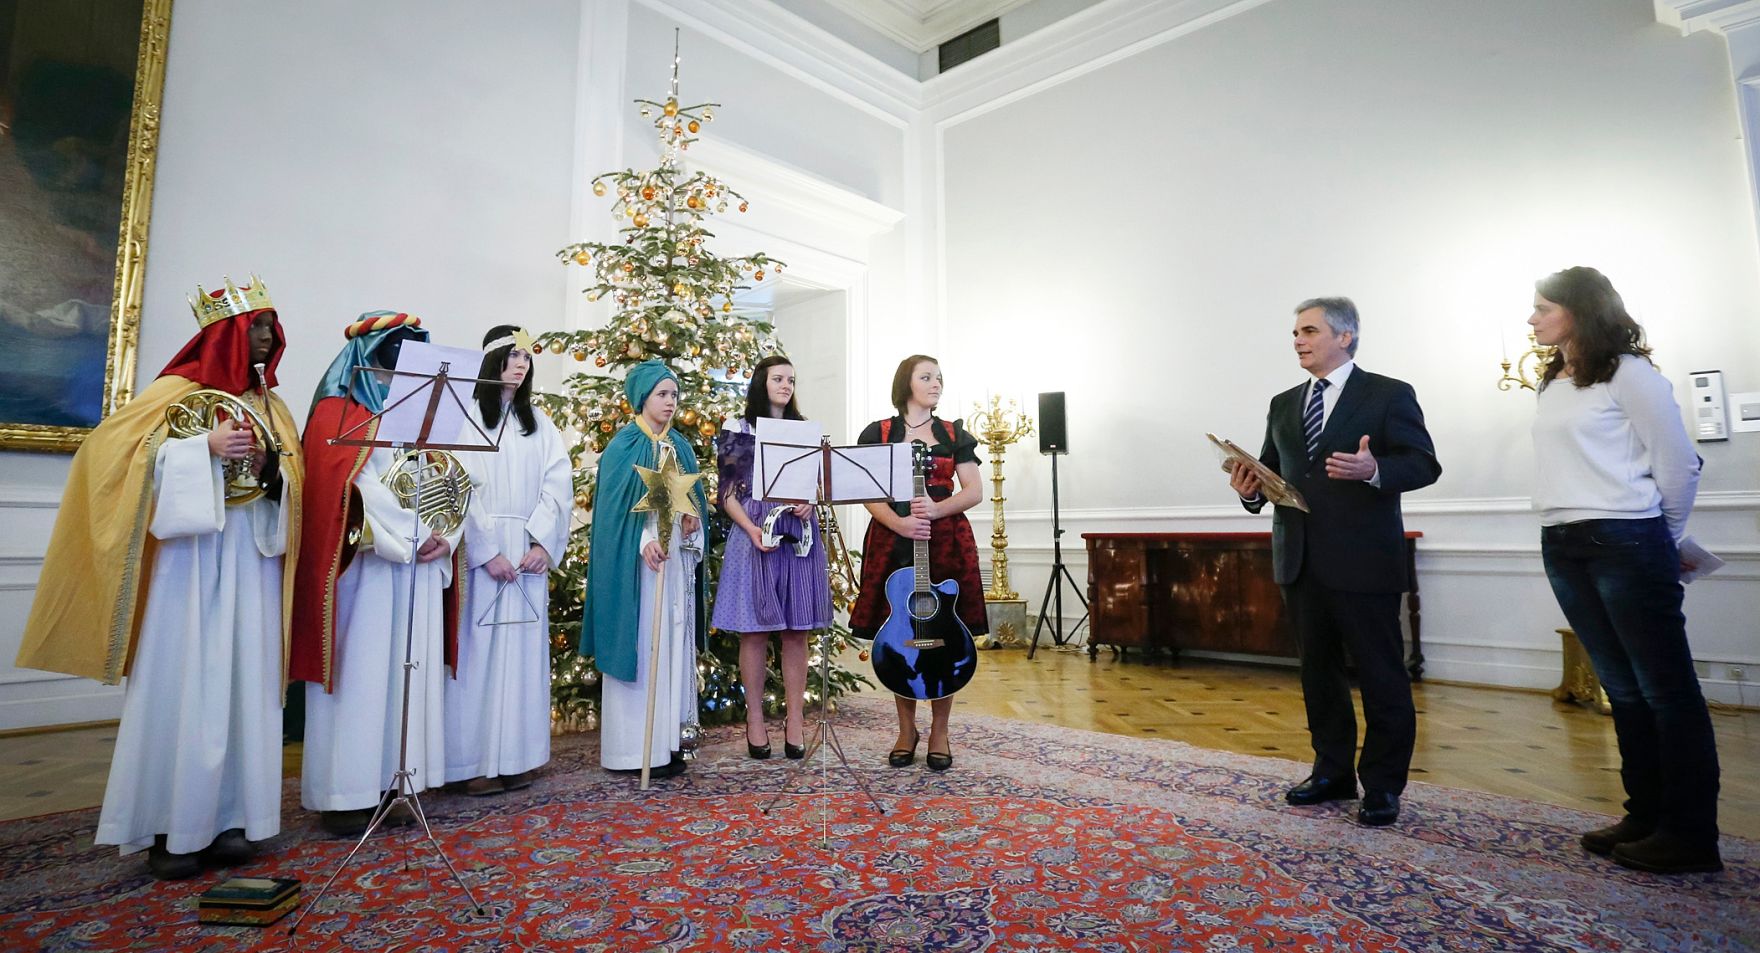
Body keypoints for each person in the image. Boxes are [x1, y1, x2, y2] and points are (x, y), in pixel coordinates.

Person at [17, 275, 303, 879]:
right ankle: (172, 826)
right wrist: (201, 447)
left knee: (243, 686)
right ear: (224, 333)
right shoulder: (173, 392)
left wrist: (269, 466)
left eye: (270, 327)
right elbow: (108, 455)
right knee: (184, 685)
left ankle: (233, 820)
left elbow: (294, 484)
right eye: (255, 327)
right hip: (188, 566)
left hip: (251, 560)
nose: (267, 337)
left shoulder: (272, 405)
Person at [1528, 266, 1721, 874]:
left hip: (1625, 538)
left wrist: (1661, 542)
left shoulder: (1632, 376)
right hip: (1562, 539)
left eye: (1542, 308)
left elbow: (1680, 465)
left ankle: (1691, 835)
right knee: (1624, 689)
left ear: (1579, 311)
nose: (1530, 320)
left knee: (1666, 691)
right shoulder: (1552, 380)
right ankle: (1645, 815)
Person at [1228, 297, 1440, 827]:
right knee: (1318, 675)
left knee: (1381, 675)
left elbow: (1423, 464)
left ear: (1345, 336)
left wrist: (1373, 469)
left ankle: (1384, 786)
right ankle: (1332, 772)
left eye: (1309, 330)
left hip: (1365, 560)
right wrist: (1249, 489)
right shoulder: (1283, 403)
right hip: (1300, 560)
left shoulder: (1389, 394)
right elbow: (1272, 473)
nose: (1298, 340)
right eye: (1295, 333)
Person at [291, 311, 464, 836]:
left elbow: (450, 476)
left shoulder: (421, 416)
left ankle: (397, 781)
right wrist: (410, 535)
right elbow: (350, 491)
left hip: (413, 568)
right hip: (364, 572)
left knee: (406, 673)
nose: (400, 376)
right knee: (361, 678)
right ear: (368, 359)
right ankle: (346, 793)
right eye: (393, 362)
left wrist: (446, 532)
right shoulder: (335, 414)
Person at [445, 326, 571, 794]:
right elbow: (458, 484)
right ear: (492, 360)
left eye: (527, 357)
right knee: (478, 656)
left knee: (520, 655)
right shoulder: (465, 418)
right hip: (484, 552)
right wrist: (486, 550)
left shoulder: (538, 422)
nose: (522, 363)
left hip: (527, 550)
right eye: (513, 355)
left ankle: (517, 756)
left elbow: (558, 483)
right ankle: (472, 763)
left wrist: (540, 543)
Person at [848, 354, 987, 771]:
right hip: (894, 539)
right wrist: (902, 524)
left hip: (945, 542)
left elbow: (974, 490)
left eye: (939, 377)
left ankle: (940, 730)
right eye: (926, 377)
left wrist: (933, 512)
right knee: (900, 633)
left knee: (947, 632)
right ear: (906, 383)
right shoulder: (879, 432)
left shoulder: (953, 433)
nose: (935, 384)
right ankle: (906, 729)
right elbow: (867, 492)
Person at [581, 360, 709, 779]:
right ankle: (630, 750)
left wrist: (691, 524)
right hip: (636, 572)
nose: (671, 402)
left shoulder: (682, 448)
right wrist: (643, 541)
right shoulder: (623, 447)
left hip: (672, 572)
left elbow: (695, 509)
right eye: (662, 394)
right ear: (642, 398)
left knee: (670, 648)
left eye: (674, 395)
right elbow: (612, 520)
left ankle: (668, 744)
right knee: (640, 647)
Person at [712, 356, 834, 760]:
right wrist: (751, 530)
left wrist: (809, 504)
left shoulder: (804, 430)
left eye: (791, 379)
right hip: (755, 530)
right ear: (761, 382)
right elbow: (727, 493)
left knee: (797, 630)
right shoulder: (739, 428)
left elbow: (815, 487)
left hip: (796, 535)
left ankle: (796, 719)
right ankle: (755, 719)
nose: (785, 385)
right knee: (755, 631)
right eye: (778, 378)